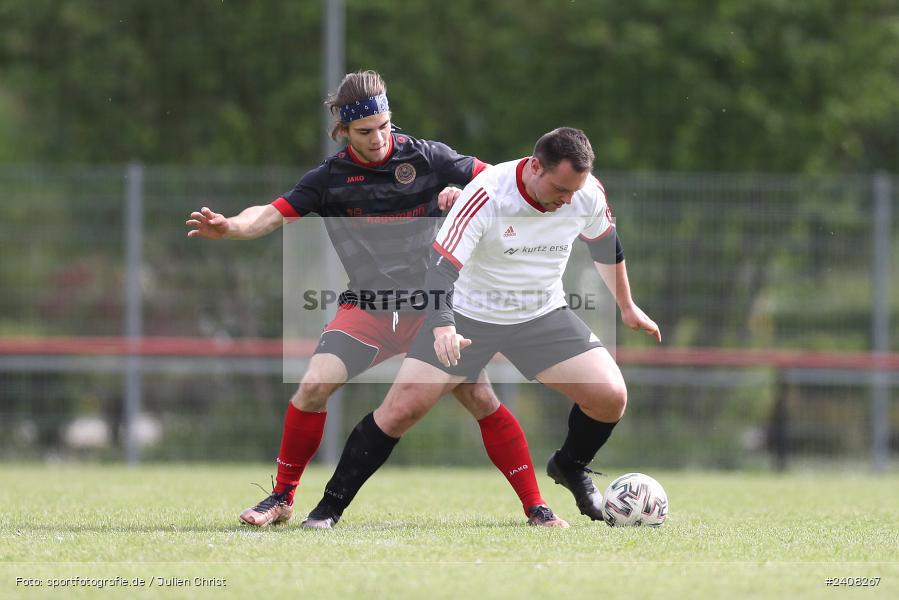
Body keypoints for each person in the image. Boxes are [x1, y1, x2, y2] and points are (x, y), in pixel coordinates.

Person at [185, 71, 566, 529]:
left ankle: (536, 507)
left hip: (435, 308)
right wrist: (232, 226)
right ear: (343, 131)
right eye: (365, 131)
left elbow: (504, 183)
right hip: (368, 305)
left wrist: (464, 193)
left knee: (480, 396)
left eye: (385, 125)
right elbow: (269, 214)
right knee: (312, 387)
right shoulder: (328, 179)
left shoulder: (428, 157)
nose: (379, 137)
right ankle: (282, 497)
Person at [303, 127, 661, 528]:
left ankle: (569, 466)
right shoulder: (488, 194)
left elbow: (605, 244)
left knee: (611, 396)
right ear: (535, 167)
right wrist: (442, 328)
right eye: (561, 188)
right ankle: (328, 509)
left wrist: (628, 308)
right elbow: (440, 270)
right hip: (469, 317)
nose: (568, 200)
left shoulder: (586, 192)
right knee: (401, 410)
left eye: (575, 190)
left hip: (540, 314)